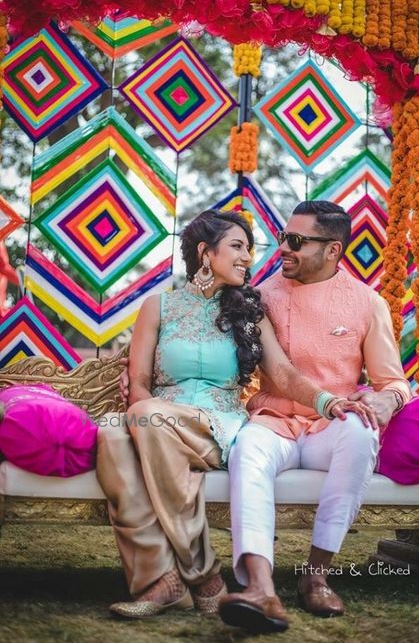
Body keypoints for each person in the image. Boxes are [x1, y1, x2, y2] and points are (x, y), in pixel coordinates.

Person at [96, 209, 372, 623]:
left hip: (216, 426)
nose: (249, 257)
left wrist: (326, 402)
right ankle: (164, 581)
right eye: (238, 247)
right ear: (206, 253)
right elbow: (138, 381)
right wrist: (139, 413)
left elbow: (281, 373)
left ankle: (202, 576)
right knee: (112, 432)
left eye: (250, 249)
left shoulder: (249, 313)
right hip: (155, 420)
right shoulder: (158, 307)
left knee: (147, 419)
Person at [218, 200, 419, 631]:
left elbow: (393, 381)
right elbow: (276, 374)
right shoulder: (262, 297)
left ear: (333, 250)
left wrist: (389, 401)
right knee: (247, 449)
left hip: (331, 428)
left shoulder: (366, 302)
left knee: (360, 433)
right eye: (285, 237)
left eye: (297, 241)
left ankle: (316, 573)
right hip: (275, 422)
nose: (284, 247)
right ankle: (259, 587)